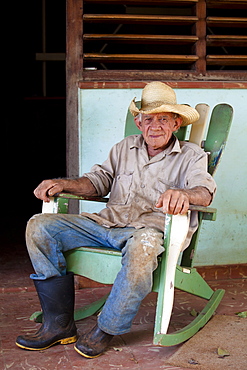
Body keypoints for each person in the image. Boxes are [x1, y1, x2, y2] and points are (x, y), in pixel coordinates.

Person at [16, 82, 216, 358]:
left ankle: (106, 328)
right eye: (148, 119)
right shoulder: (124, 148)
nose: (155, 126)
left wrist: (184, 194)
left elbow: (204, 193)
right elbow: (97, 183)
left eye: (163, 119)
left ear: (176, 123)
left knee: (143, 247)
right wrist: (61, 183)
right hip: (106, 223)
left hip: (147, 231)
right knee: (39, 226)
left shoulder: (191, 156)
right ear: (138, 122)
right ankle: (58, 324)